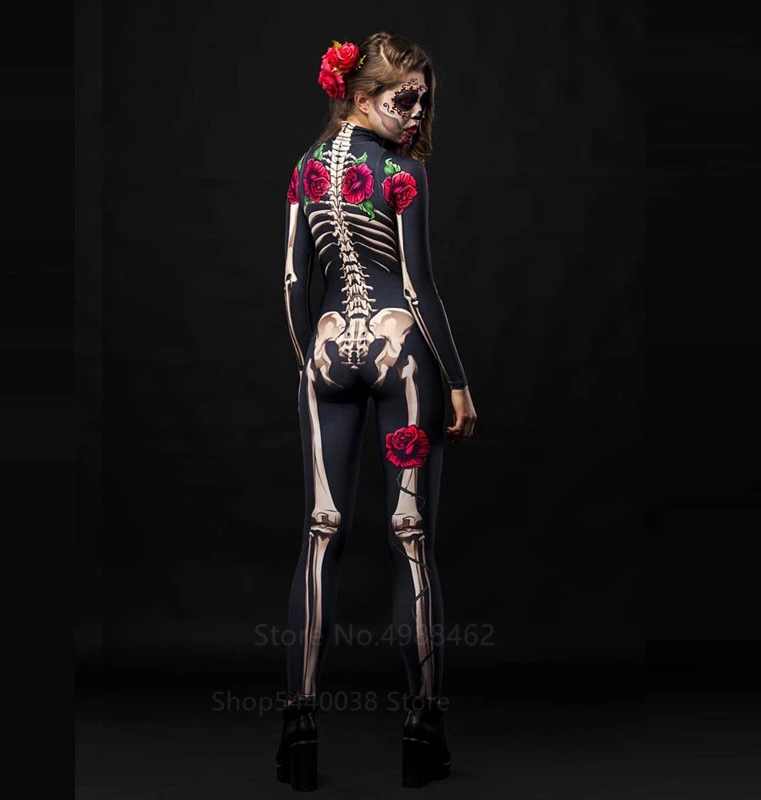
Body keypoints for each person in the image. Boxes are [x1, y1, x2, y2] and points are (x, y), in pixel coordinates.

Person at [276, 31, 477, 791]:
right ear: (361, 97)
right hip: (402, 358)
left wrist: (310, 362)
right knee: (410, 537)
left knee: (320, 534)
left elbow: (294, 281)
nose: (418, 113)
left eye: (425, 100)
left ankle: (299, 732)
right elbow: (418, 288)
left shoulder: (304, 167)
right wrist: (457, 382)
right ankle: (423, 731)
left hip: (328, 351)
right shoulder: (401, 173)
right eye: (406, 98)